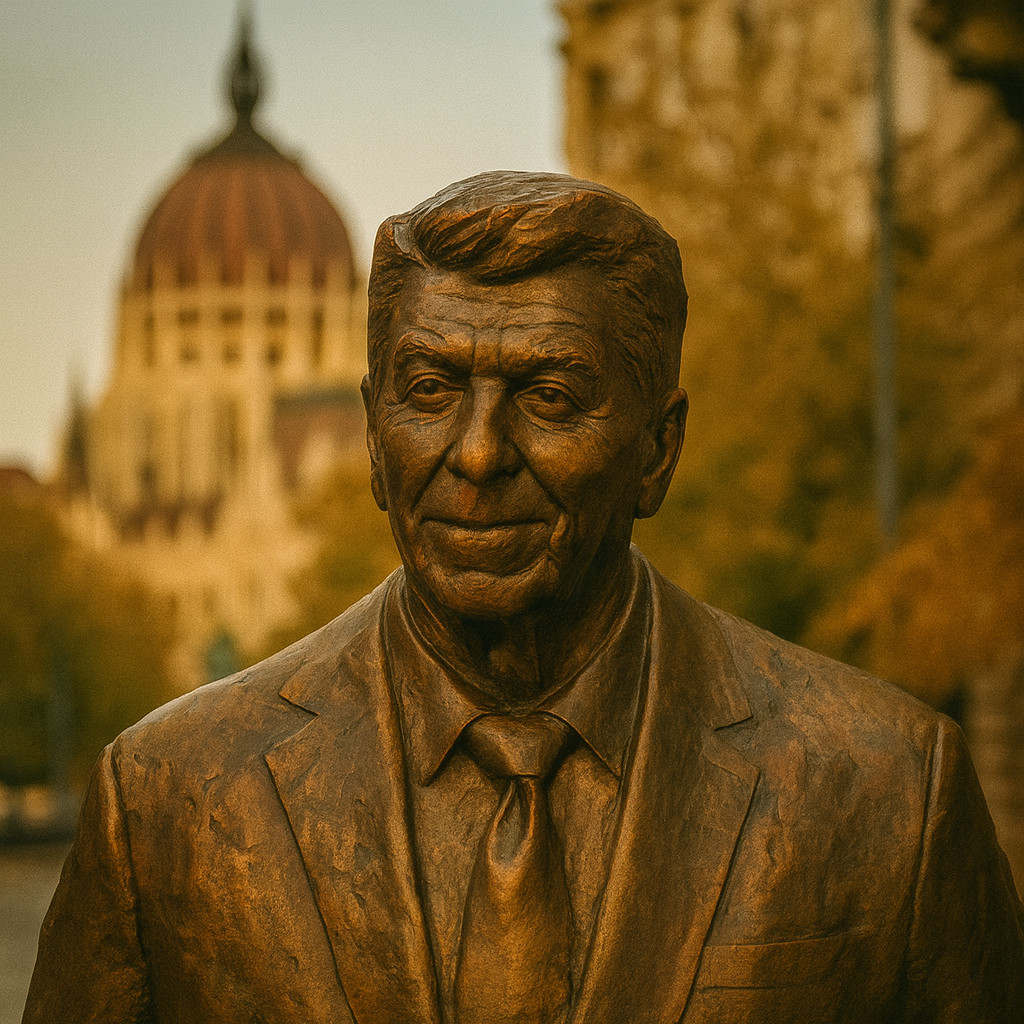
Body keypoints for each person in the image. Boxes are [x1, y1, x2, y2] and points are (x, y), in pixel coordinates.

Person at [24, 171, 1023, 1023]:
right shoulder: (164, 801)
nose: (476, 455)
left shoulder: (889, 792)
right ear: (370, 436)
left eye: (548, 396)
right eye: (429, 391)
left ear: (658, 450)